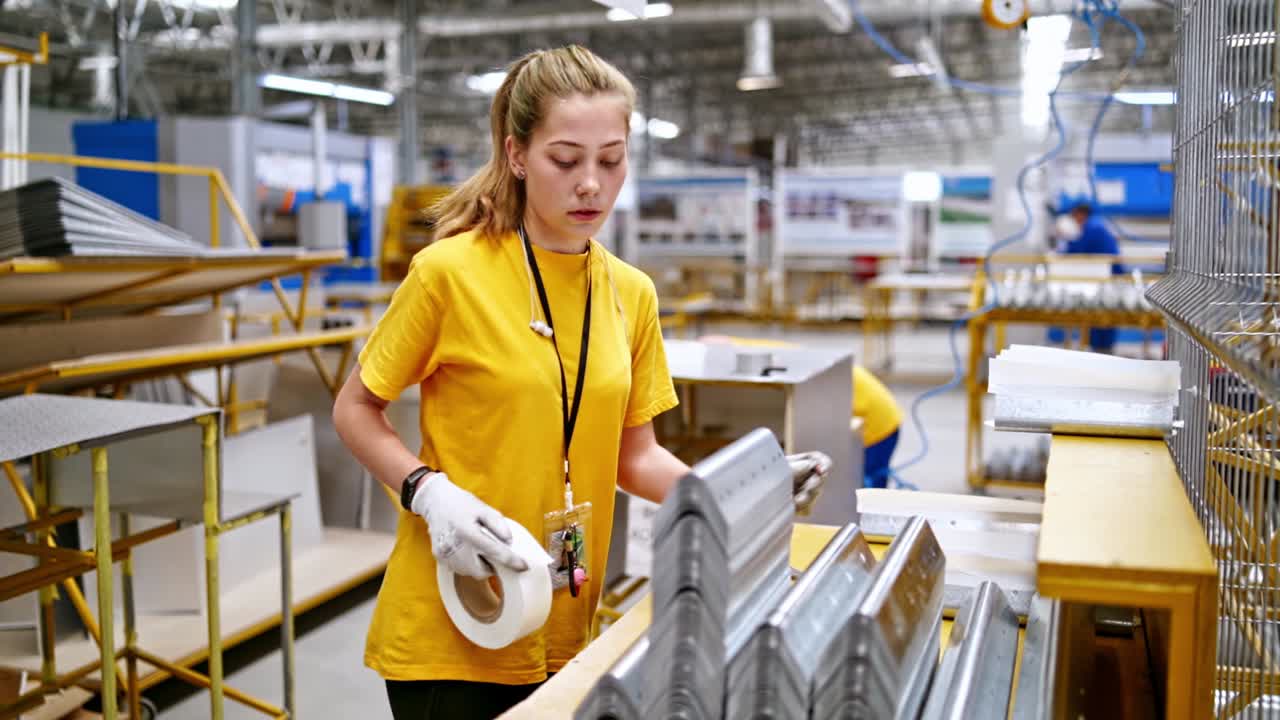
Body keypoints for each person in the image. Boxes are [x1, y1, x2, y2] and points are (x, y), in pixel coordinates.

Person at [332, 46, 825, 720]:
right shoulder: (449, 274)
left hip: (564, 619)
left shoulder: (631, 292)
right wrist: (428, 492)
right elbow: (355, 408)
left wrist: (738, 496)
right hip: (456, 622)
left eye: (611, 160)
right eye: (565, 161)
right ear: (516, 155)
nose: (591, 184)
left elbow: (635, 455)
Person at [697, 335, 902, 489]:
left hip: (878, 421)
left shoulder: (760, 361)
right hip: (874, 405)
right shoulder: (754, 349)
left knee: (864, 494)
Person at [1057, 200, 1122, 353]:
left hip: (1108, 276)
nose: (1074, 220)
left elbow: (1080, 248)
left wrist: (1062, 247)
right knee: (1102, 314)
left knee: (1103, 314)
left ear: (1081, 214)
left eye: (1074, 216)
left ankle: (1102, 348)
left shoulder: (1092, 227)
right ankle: (1101, 348)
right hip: (1105, 275)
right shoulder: (1095, 224)